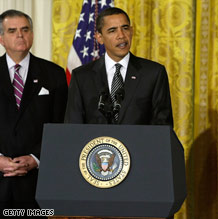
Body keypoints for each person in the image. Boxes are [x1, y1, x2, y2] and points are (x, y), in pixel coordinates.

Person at [0, 9, 68, 214]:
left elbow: (61, 124)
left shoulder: (54, 74)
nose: (20, 35)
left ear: (31, 34)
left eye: (25, 29)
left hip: (39, 182)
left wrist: (36, 158)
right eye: (12, 31)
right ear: (1, 39)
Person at [65, 7, 173, 126]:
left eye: (125, 28)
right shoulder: (82, 77)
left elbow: (162, 127)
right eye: (112, 30)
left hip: (138, 144)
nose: (121, 35)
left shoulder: (153, 73)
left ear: (131, 31)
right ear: (99, 37)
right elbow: (73, 127)